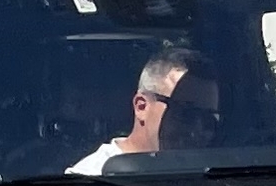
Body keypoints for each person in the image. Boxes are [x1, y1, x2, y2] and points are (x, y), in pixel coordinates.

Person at [69, 51, 220, 173]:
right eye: (186, 114)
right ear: (141, 107)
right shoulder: (88, 182)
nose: (196, 130)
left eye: (208, 120)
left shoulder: (212, 182)